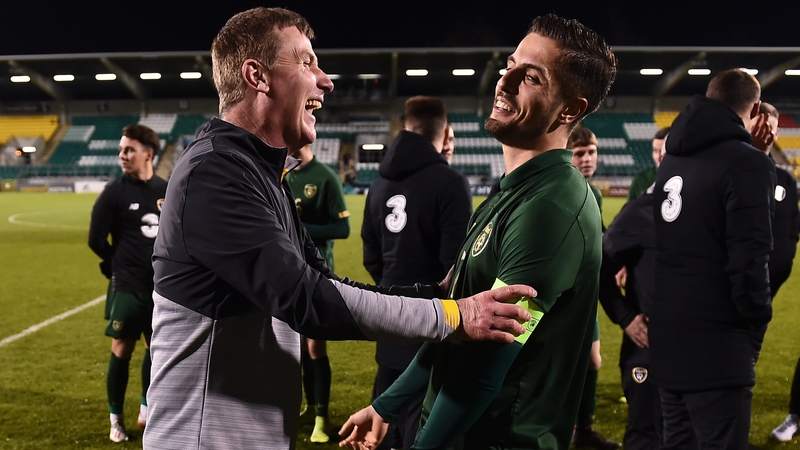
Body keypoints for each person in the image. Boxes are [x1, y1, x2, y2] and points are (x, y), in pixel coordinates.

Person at [142, 8, 533, 450]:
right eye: (306, 62)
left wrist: (436, 295)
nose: (325, 81)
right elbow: (307, 299)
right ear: (257, 76)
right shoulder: (214, 173)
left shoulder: (259, 173)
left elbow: (325, 282)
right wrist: (454, 316)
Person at [340, 13, 617, 450]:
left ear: (570, 109)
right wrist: (386, 407)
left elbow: (484, 369)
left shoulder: (550, 208)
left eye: (531, 77)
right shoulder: (510, 193)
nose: (504, 82)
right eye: (510, 65)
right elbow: (459, 328)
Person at [651, 68, 775, 449]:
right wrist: (755, 321)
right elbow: (750, 258)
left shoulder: (672, 157)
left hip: (668, 337)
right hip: (719, 345)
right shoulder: (747, 163)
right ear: (756, 109)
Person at [361, 96, 472, 450]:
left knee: (383, 424)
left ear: (406, 129)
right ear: (445, 132)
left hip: (387, 318)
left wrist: (394, 292)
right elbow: (455, 267)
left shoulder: (378, 184)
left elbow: (371, 255)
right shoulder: (450, 182)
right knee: (420, 431)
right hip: (432, 327)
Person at [88, 124, 167, 443]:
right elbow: (95, 239)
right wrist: (116, 263)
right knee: (122, 348)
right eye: (121, 149)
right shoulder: (114, 192)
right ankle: (115, 419)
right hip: (128, 285)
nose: (122, 155)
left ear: (148, 154)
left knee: (155, 348)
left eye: (129, 150)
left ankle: (147, 407)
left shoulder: (166, 189)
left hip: (161, 286)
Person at [285, 143, 351, 443]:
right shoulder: (283, 173)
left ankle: (322, 419)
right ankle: (309, 408)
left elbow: (343, 228)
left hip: (316, 274)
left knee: (314, 346)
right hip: (287, 271)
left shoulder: (325, 177)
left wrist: (299, 229)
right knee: (296, 347)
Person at [568, 125, 622, 449]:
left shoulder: (595, 194)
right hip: (559, 294)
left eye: (591, 152)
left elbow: (599, 239)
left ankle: (583, 430)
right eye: (579, 154)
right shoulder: (559, 189)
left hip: (585, 292)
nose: (587, 159)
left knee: (592, 360)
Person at [599, 178, 662, 449]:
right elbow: (598, 265)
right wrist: (625, 316)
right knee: (646, 434)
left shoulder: (709, 209)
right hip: (648, 345)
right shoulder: (642, 211)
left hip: (700, 346)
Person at [759, 102, 800, 441]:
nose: (769, 131)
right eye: (763, 123)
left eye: (773, 125)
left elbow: (791, 232)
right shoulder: (732, 169)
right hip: (731, 287)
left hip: (770, 286)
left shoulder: (785, 179)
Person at [627, 127, 669, 202]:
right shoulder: (640, 180)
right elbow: (630, 208)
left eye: (663, 152)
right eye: (655, 151)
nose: (658, 157)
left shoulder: (686, 180)